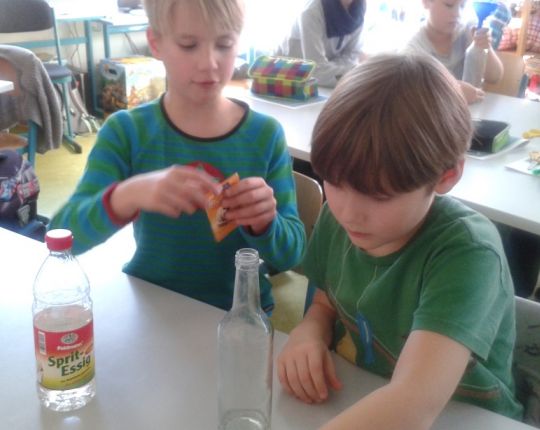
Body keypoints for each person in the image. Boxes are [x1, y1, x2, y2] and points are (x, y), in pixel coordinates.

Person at [277, 53, 523, 429]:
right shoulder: (337, 219)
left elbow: (413, 402)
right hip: (366, 397)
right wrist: (310, 331)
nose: (349, 213)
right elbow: (327, 301)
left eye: (378, 196)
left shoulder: (468, 254)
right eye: (335, 182)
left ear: (446, 175)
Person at [48, 0, 305, 313]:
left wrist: (266, 223)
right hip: (152, 303)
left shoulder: (265, 135)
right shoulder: (127, 132)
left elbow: (291, 255)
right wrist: (126, 195)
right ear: (155, 43)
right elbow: (62, 238)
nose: (209, 63)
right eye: (188, 45)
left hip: (238, 313)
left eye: (224, 44)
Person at [405, 0, 503, 104]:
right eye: (449, 5)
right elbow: (412, 96)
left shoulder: (467, 30)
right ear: (425, 2)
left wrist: (484, 46)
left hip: (473, 110)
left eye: (462, 6)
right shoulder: (412, 51)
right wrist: (452, 91)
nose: (457, 14)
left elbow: (494, 77)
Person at [275, 0, 367, 87]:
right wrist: (356, 75)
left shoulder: (359, 8)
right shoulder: (312, 11)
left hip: (320, 79)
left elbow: (352, 56)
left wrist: (332, 70)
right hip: (284, 77)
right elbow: (316, 71)